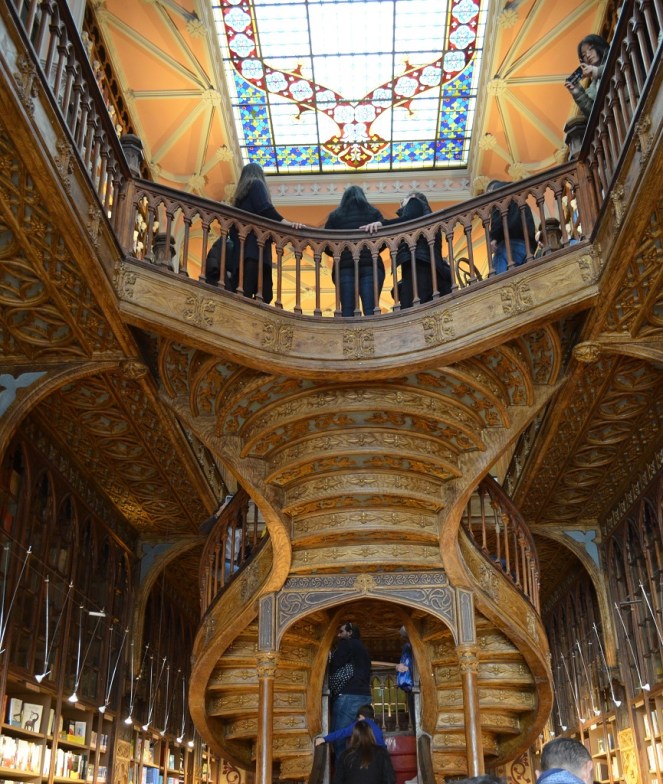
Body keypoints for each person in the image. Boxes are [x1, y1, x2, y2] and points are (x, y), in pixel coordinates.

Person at [205, 162, 302, 303]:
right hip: (256, 253)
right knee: (262, 295)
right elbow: (266, 209)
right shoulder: (256, 184)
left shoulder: (239, 201)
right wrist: (288, 224)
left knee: (247, 294)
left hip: (242, 257)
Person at [362, 191, 452, 308]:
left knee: (413, 304)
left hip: (419, 262)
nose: (400, 204)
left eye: (403, 201)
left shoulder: (414, 202)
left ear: (412, 197)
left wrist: (381, 224)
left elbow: (408, 219)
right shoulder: (425, 215)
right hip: (424, 262)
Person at [324, 186, 385, 316]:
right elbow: (383, 242)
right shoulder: (373, 212)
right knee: (371, 309)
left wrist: (340, 251)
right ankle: (372, 335)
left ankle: (349, 336)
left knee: (347, 309)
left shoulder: (335, 215)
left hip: (344, 267)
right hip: (371, 265)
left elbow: (327, 247)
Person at [328, 621, 372, 758]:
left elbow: (335, 665)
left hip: (348, 695)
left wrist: (330, 657)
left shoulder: (346, 644)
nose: (339, 634)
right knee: (360, 736)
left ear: (350, 632)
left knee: (338, 737)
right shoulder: (364, 649)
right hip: (364, 696)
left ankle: (345, 773)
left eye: (341, 631)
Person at [486, 180, 536, 274]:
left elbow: (497, 218)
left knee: (500, 281)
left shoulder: (498, 194)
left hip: (508, 247)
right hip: (527, 248)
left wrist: (494, 237)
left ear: (491, 190)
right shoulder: (519, 199)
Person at [564, 35, 610, 119]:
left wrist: (595, 71)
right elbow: (593, 114)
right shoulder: (593, 87)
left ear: (599, 45)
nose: (588, 55)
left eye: (590, 49)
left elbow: (614, 67)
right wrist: (577, 92)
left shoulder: (615, 53)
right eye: (584, 55)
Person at [315, 703, 385, 749]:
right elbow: (382, 746)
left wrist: (324, 739)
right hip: (380, 757)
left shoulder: (360, 724)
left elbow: (342, 733)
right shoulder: (376, 727)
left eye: (358, 719)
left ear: (361, 716)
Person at [395, 625, 416, 732]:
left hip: (418, 687)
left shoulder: (409, 647)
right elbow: (403, 665)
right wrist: (398, 667)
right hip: (414, 688)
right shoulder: (407, 647)